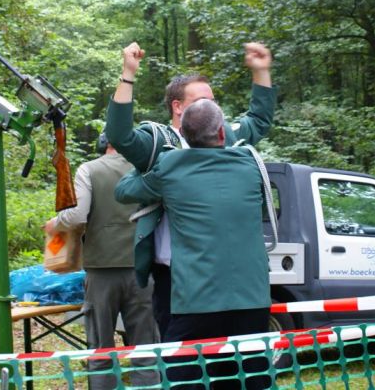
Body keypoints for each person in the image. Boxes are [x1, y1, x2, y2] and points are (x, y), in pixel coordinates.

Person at [105, 41, 275, 336]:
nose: (211, 107)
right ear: (178, 107)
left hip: (229, 272)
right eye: (202, 101)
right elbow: (119, 136)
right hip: (175, 274)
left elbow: (258, 120)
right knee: (185, 353)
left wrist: (261, 71)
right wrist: (128, 74)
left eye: (213, 101)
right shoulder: (158, 142)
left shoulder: (227, 136)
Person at [115, 99, 272, 389]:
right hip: (253, 300)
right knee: (248, 381)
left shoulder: (169, 166)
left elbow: (123, 191)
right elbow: (259, 120)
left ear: (183, 136)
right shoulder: (250, 162)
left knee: (186, 381)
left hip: (197, 300)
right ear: (222, 133)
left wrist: (149, 162)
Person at [44, 133, 159, 390]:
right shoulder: (146, 170)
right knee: (146, 349)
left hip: (101, 271)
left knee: (100, 350)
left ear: (104, 143)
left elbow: (77, 215)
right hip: (141, 268)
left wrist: (55, 223)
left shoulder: (89, 169)